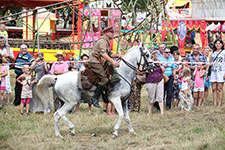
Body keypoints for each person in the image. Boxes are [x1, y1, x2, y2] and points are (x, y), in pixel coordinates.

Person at [87, 26, 121, 108]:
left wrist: (118, 56)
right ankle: (94, 98)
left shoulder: (106, 41)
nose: (113, 34)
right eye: (111, 32)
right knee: (104, 79)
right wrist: (113, 61)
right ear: (107, 33)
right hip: (95, 61)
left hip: (98, 61)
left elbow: (110, 54)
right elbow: (103, 54)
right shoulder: (102, 41)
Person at [146, 51, 165, 115]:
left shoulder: (158, 61)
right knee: (151, 97)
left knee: (160, 96)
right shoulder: (148, 62)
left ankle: (162, 112)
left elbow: (163, 70)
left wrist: (160, 64)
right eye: (156, 55)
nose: (157, 56)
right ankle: (149, 112)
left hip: (159, 80)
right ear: (152, 55)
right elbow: (144, 70)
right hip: (150, 80)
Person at [209, 39, 225, 106]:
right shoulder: (212, 52)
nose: (218, 45)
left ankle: (219, 103)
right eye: (216, 43)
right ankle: (215, 103)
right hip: (213, 72)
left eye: (219, 43)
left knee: (220, 88)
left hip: (221, 71)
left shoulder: (224, 52)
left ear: (222, 44)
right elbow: (209, 62)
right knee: (213, 88)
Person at [0, 36, 15, 105]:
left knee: (7, 84)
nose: (2, 43)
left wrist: (8, 55)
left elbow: (13, 59)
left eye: (3, 41)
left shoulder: (9, 49)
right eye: (0, 41)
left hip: (5, 68)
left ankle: (8, 101)